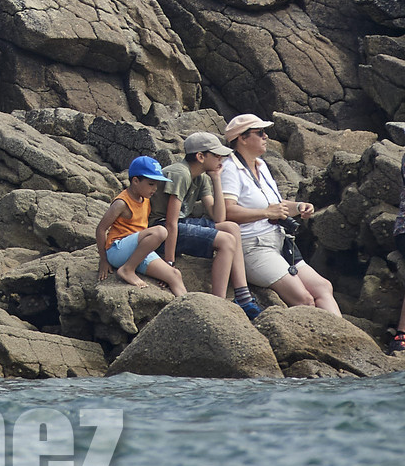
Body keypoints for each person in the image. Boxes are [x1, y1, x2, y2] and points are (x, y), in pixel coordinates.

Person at [219, 113, 340, 311]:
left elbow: (274, 204)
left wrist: (298, 206)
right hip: (253, 246)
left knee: (324, 287)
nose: (266, 136)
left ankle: (342, 339)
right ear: (241, 138)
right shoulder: (230, 168)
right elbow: (227, 212)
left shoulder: (261, 165)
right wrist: (266, 213)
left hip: (279, 241)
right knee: (304, 299)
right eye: (260, 133)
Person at [161, 130, 261, 317]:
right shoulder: (180, 173)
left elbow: (219, 217)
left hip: (181, 223)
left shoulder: (201, 178)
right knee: (226, 241)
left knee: (231, 228)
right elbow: (170, 223)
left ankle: (242, 295)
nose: (221, 159)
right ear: (200, 156)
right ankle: (218, 302)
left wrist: (216, 179)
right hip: (159, 229)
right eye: (216, 155)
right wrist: (169, 263)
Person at [95, 157, 185, 295]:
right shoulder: (122, 203)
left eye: (156, 185)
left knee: (174, 275)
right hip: (117, 250)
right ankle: (127, 270)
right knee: (160, 232)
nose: (155, 189)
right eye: (150, 184)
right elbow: (101, 229)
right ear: (135, 181)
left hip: (137, 251)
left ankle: (187, 309)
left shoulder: (145, 199)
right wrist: (103, 260)